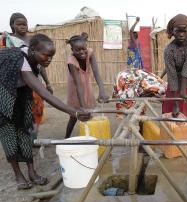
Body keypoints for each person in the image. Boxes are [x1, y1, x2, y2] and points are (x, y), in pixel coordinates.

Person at [0, 34, 91, 190]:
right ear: (33, 50)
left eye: (51, 56)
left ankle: (31, 171)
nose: (49, 59)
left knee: (25, 131)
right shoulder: (20, 59)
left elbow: (37, 83)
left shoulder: (33, 58)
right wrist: (74, 112)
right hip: (3, 94)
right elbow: (43, 92)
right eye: (46, 55)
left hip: (22, 94)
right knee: (8, 133)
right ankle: (18, 174)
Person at [0, 13, 53, 143]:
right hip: (17, 84)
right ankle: (22, 140)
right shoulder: (7, 41)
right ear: (12, 25)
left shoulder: (33, 41)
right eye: (19, 24)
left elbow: (41, 65)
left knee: (37, 110)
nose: (22, 26)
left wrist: (47, 83)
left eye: (25, 23)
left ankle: (33, 138)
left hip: (34, 80)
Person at [64, 33, 109, 138]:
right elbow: (78, 85)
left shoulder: (90, 53)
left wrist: (102, 91)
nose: (81, 52)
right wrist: (83, 108)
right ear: (72, 49)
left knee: (89, 111)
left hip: (86, 84)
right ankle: (66, 138)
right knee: (74, 116)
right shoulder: (71, 61)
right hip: (75, 87)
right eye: (77, 50)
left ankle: (89, 137)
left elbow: (96, 73)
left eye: (83, 49)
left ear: (86, 46)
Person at [161, 14, 187, 118]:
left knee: (186, 114)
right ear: (172, 31)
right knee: (171, 114)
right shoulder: (169, 50)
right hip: (174, 85)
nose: (181, 34)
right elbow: (172, 75)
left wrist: (182, 91)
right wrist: (175, 103)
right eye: (178, 31)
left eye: (184, 31)